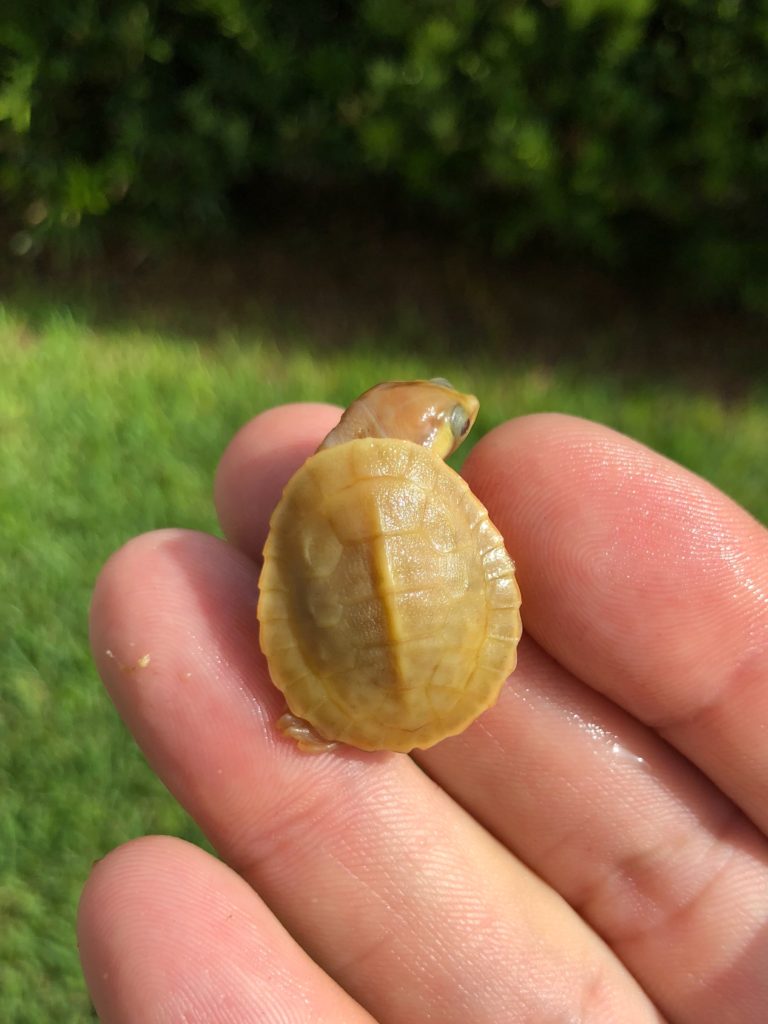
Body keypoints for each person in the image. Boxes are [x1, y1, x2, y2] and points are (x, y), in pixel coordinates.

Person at [80, 405, 768, 1023]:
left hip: (367, 676)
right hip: (431, 669)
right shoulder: (346, 488)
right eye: (454, 424)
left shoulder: (319, 489)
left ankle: (332, 714)